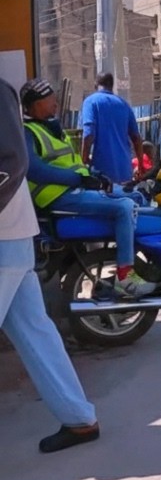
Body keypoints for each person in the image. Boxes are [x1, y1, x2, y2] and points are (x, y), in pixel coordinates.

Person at [1, 78, 100, 453]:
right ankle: (79, 420)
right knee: (36, 334)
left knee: (37, 332)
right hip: (13, 238)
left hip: (3, 236)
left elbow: (13, 162)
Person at [21, 79, 154, 298]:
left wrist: (93, 176)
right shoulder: (28, 132)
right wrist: (76, 180)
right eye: (50, 98)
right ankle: (125, 276)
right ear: (36, 104)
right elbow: (33, 170)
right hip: (57, 197)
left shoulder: (53, 128)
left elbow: (73, 163)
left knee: (137, 196)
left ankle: (135, 260)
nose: (55, 103)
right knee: (124, 207)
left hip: (74, 190)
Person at [80, 73, 146, 186]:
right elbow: (136, 138)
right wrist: (140, 165)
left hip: (102, 174)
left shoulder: (91, 102)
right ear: (112, 86)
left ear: (96, 85)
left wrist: (83, 161)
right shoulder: (124, 104)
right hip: (125, 171)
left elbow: (88, 134)